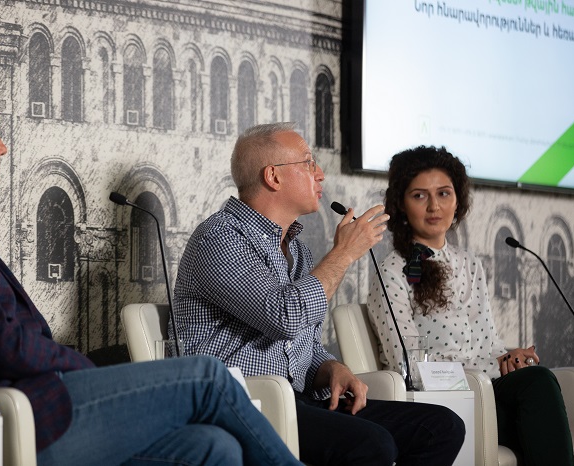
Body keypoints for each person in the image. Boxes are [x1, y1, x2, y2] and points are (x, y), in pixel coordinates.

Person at [0, 87, 303, 466]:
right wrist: (83, 366)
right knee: (208, 378)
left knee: (212, 447)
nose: (3, 148)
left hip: (36, 401)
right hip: (15, 419)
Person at [172, 122, 465, 465]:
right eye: (309, 163)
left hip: (296, 399)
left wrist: (330, 367)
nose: (320, 174)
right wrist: (344, 253)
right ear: (273, 177)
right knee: (372, 444)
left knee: (441, 427)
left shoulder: (298, 251)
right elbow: (283, 317)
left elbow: (303, 345)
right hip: (243, 403)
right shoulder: (220, 238)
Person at [367, 145, 574, 465]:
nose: (434, 206)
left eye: (444, 193)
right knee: (538, 394)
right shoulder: (392, 272)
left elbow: (488, 344)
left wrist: (506, 359)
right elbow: (407, 367)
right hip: (444, 404)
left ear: (458, 200)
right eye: (420, 196)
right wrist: (483, 371)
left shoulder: (469, 263)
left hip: (486, 390)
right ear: (401, 204)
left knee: (537, 379)